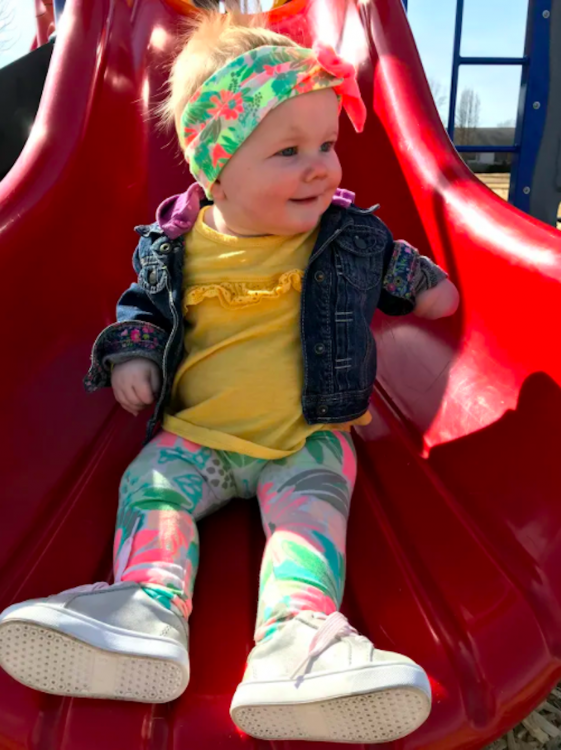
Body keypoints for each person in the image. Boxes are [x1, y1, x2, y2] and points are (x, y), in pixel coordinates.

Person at [0, 11, 459, 744]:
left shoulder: (346, 237)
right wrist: (134, 356)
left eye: (326, 144)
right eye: (288, 151)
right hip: (197, 436)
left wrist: (433, 288)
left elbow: (421, 286)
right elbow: (144, 310)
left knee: (310, 520)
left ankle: (299, 639)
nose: (319, 166)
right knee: (149, 488)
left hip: (301, 438)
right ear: (216, 166)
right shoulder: (175, 245)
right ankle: (146, 606)